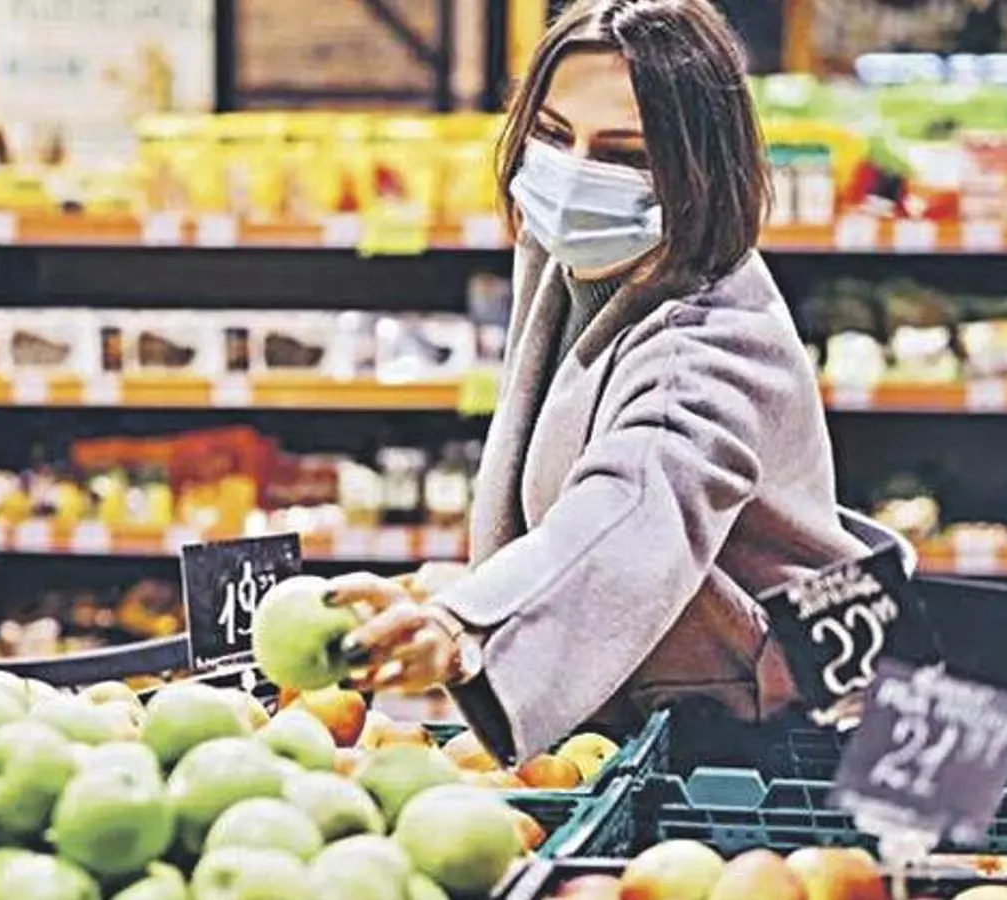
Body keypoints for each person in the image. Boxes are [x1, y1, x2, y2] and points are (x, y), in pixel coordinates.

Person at [330, 0, 871, 764]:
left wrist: (472, 625)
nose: (574, 173)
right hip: (664, 708)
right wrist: (467, 589)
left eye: (622, 154)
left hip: (768, 748)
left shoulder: (709, 344)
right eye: (553, 135)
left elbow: (637, 503)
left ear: (697, 170)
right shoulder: (575, 264)